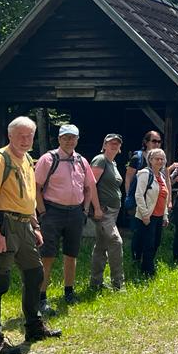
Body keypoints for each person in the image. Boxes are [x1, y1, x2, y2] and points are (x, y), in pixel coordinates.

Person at [0, 116, 61, 354]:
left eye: (29, 136)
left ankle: (34, 327)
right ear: (10, 135)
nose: (26, 140)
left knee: (35, 274)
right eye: (21, 136)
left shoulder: (26, 158)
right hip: (5, 223)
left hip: (25, 224)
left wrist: (35, 225)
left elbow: (30, 196)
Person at [35, 124, 102, 311]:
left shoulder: (82, 161)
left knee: (71, 254)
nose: (69, 141)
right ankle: (41, 297)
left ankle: (69, 292)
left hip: (75, 213)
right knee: (47, 255)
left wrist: (85, 209)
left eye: (73, 138)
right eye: (65, 137)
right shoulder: (48, 159)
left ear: (77, 140)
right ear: (59, 139)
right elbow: (36, 187)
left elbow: (90, 186)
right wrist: (42, 212)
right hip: (52, 212)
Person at [90, 133, 125, 291]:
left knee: (101, 246)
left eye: (117, 144)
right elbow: (91, 185)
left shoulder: (113, 163)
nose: (114, 145)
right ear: (104, 145)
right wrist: (96, 208)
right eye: (111, 143)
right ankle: (118, 283)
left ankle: (95, 282)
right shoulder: (101, 160)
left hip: (113, 211)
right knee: (116, 242)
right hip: (104, 211)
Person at [124, 130, 162, 263]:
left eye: (159, 141)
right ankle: (136, 258)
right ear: (146, 142)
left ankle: (147, 258)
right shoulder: (137, 157)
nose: (157, 144)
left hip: (154, 201)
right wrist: (130, 197)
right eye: (154, 141)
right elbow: (129, 177)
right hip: (139, 200)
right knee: (138, 231)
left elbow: (165, 179)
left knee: (153, 233)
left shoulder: (161, 158)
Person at [135, 147, 171, 276]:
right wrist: (145, 215)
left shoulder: (161, 176)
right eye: (157, 159)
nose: (160, 161)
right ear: (150, 160)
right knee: (148, 244)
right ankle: (147, 271)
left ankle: (146, 265)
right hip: (148, 215)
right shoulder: (145, 174)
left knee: (156, 243)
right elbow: (138, 195)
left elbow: (164, 197)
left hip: (159, 216)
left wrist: (165, 216)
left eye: (162, 159)